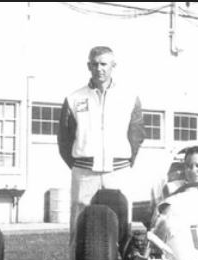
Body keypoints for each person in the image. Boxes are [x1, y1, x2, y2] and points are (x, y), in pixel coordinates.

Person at [57, 46, 145, 224]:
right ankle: (76, 254)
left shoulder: (129, 97)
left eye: (104, 64)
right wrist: (79, 164)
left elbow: (136, 135)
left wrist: (125, 161)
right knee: (79, 222)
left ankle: (120, 253)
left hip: (118, 171)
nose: (99, 69)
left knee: (121, 222)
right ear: (88, 66)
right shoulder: (74, 98)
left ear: (114, 65)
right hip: (84, 172)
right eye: (95, 64)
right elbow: (64, 138)